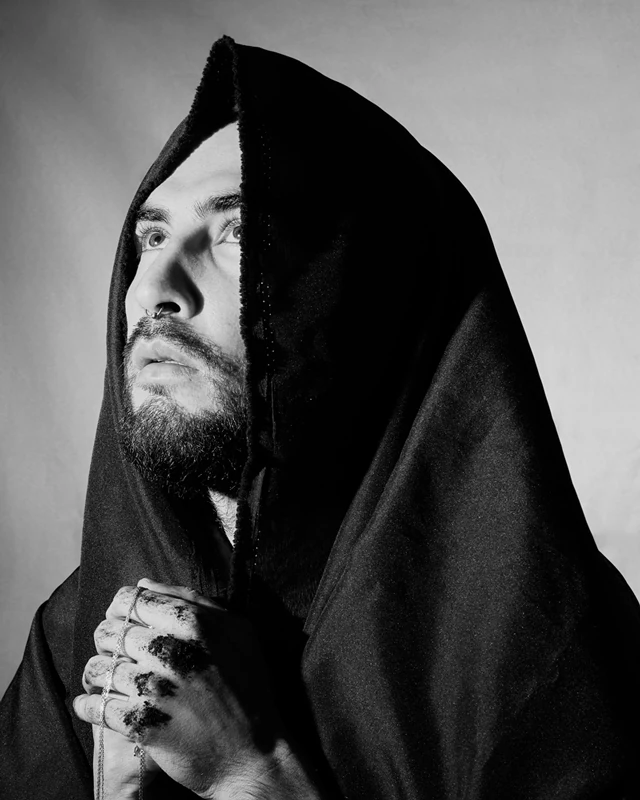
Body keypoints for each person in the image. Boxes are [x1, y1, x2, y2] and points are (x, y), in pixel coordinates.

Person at [1, 35, 639, 799]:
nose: (153, 291)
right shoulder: (79, 634)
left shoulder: (548, 644)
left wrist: (255, 772)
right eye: (152, 237)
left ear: (365, 297)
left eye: (238, 234)